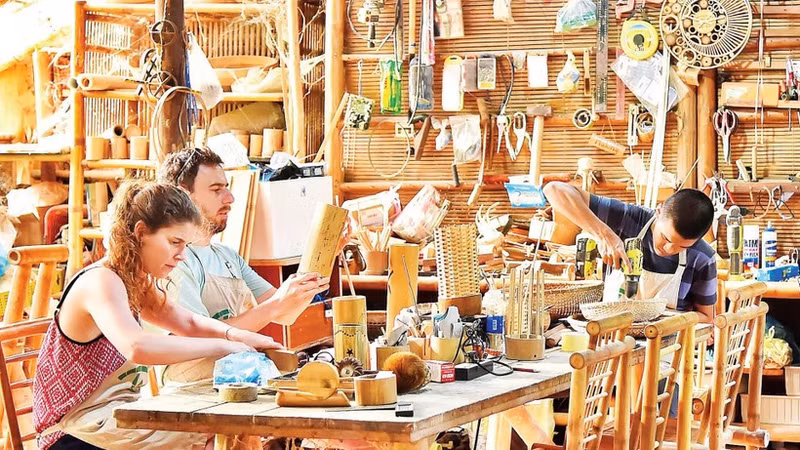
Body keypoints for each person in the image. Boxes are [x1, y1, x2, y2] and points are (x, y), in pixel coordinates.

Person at [33, 181, 282, 450]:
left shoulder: (135, 281)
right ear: (141, 233)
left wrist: (240, 336)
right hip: (74, 433)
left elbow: (187, 322)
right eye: (175, 242)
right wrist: (226, 346)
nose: (182, 256)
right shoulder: (101, 280)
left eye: (185, 245)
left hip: (114, 420)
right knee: (208, 438)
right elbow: (138, 347)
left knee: (224, 430)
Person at [156, 148, 340, 381]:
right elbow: (197, 339)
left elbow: (286, 313)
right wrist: (274, 305)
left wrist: (328, 249)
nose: (230, 198)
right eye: (216, 190)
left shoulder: (228, 257)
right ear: (184, 195)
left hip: (233, 377)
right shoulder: (175, 262)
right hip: (191, 388)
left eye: (227, 187)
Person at [543, 182, 717, 322]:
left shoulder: (703, 257)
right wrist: (604, 233)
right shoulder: (629, 219)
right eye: (666, 238)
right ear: (659, 211)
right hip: (610, 338)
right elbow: (553, 190)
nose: (668, 249)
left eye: (682, 246)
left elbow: (707, 318)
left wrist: (665, 319)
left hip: (667, 351)